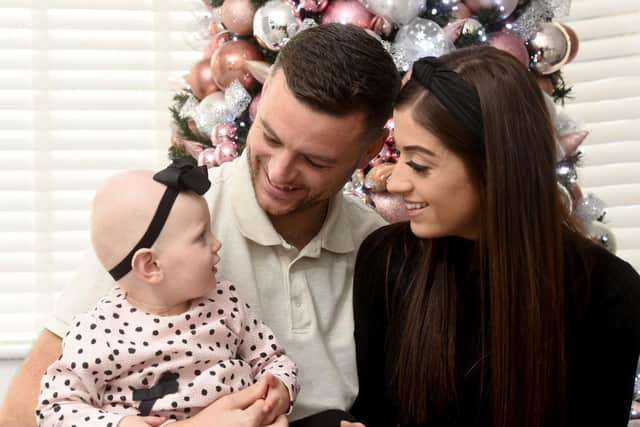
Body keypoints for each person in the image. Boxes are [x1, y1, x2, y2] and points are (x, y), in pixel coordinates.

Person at [0, 23, 401, 427]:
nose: (279, 173)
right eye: (270, 136)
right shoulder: (169, 219)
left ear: (369, 150)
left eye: (315, 161)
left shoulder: (381, 249)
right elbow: (20, 412)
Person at [344, 47, 640, 427]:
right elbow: (373, 413)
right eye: (399, 154)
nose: (396, 182)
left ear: (494, 165)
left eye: (418, 164)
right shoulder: (386, 262)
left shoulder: (607, 293)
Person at [36, 164, 298, 426]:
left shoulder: (227, 303)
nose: (217, 243)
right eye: (201, 236)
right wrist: (121, 424)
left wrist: (279, 390)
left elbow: (272, 359)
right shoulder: (99, 331)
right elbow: (54, 408)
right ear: (151, 265)